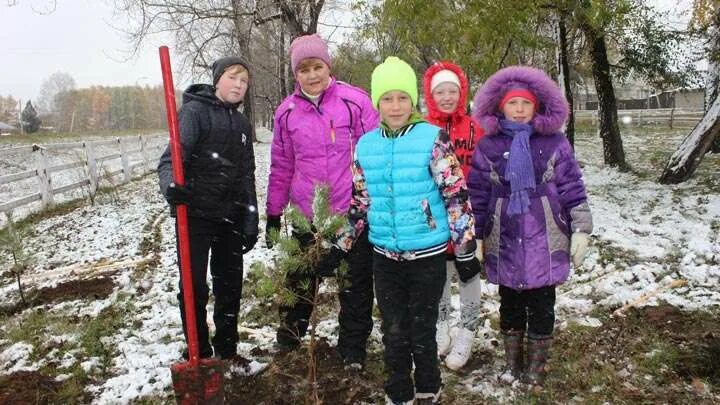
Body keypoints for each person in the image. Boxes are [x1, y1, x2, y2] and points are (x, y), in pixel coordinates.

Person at [319, 56, 482, 405]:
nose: (395, 106)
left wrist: (465, 250)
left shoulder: (432, 139)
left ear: (413, 101)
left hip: (427, 256)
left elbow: (456, 196)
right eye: (388, 99)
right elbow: (360, 202)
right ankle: (399, 392)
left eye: (402, 98)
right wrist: (340, 246)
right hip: (385, 258)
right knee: (393, 331)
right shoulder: (365, 146)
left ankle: (427, 388)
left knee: (422, 332)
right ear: (377, 103)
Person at [467, 65, 593, 385]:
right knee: (509, 303)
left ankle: (536, 366)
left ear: (537, 106)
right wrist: (477, 235)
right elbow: (479, 194)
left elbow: (572, 187)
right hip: (504, 234)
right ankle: (512, 363)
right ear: (500, 106)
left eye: (526, 103)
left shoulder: (554, 143)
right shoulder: (488, 146)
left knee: (541, 303)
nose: (519, 110)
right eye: (513, 103)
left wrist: (581, 230)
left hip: (545, 233)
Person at [265, 34, 379, 369]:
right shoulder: (286, 113)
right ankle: (289, 340)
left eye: (317, 66)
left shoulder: (354, 102)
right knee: (300, 282)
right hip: (307, 215)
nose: (312, 75)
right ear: (295, 74)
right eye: (304, 69)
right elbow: (282, 164)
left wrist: (370, 205)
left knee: (355, 286)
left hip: (350, 215)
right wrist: (274, 212)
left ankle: (353, 350)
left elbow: (372, 155)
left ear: (328, 67)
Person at [158, 56, 259, 360]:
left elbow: (247, 173)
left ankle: (227, 351)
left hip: (230, 217)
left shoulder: (242, 124)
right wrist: (171, 188)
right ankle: (198, 353)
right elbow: (168, 162)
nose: (238, 85)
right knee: (193, 288)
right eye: (232, 78)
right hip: (196, 216)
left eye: (244, 81)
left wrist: (251, 218)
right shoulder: (194, 113)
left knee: (229, 288)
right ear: (217, 80)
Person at [422, 60, 486, 370]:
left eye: (452, 91)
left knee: (468, 272)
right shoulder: (423, 129)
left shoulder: (475, 128)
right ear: (430, 95)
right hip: (435, 219)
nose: (446, 97)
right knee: (439, 274)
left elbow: (487, 174)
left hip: (467, 219)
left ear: (461, 94)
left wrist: (481, 224)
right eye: (440, 92)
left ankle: (468, 330)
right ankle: (441, 325)